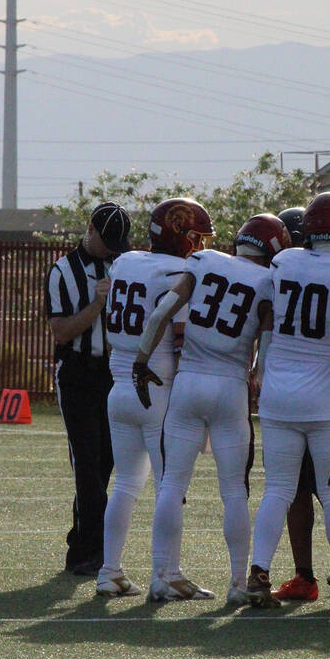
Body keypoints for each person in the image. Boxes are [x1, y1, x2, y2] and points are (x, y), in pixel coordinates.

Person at [134, 213, 289, 603]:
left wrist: (141, 361)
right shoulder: (268, 282)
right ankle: (237, 584)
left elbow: (161, 313)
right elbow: (266, 353)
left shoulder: (204, 261)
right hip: (230, 386)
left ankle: (160, 575)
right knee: (234, 492)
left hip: (188, 381)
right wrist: (258, 379)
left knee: (172, 484)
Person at [246, 192, 330, 608]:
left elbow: (270, 319)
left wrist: (261, 368)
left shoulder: (285, 261)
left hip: (279, 394)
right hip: (328, 397)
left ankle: (258, 572)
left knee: (278, 489)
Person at [94, 198, 214, 597]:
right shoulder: (178, 271)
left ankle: (109, 571)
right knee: (170, 487)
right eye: (196, 237)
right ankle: (167, 574)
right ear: (182, 236)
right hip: (157, 389)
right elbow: (179, 340)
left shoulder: (126, 262)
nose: (200, 245)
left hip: (119, 387)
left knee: (126, 483)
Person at [45, 201, 132, 576]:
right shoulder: (62, 271)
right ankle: (90, 550)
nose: (111, 249)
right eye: (106, 240)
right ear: (90, 229)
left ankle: (81, 542)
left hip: (111, 372)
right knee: (86, 461)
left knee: (106, 460)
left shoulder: (122, 265)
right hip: (76, 372)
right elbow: (61, 331)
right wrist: (97, 304)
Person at [267, 206, 328, 603]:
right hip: (316, 397)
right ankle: (313, 574)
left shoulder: (287, 271)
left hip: (304, 399)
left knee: (326, 490)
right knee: (301, 489)